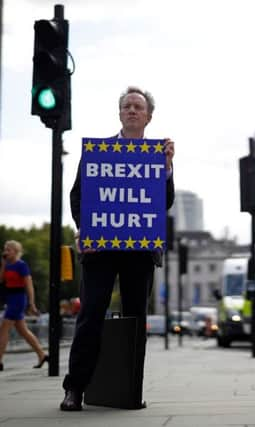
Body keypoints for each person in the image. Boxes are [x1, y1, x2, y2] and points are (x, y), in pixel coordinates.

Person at [60, 86, 175, 411]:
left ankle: (129, 390)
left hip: (139, 251)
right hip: (101, 250)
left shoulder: (158, 155)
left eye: (138, 106)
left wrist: (166, 168)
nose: (132, 110)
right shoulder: (100, 151)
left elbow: (163, 202)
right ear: (120, 113)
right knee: (91, 314)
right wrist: (86, 230)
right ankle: (74, 390)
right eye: (127, 106)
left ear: (148, 116)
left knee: (135, 318)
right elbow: (77, 195)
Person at [0, 240, 49, 372]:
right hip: (10, 298)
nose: (5, 252)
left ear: (16, 251)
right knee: (23, 331)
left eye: (8, 249)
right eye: (5, 249)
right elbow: (1, 280)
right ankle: (42, 355)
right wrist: (3, 265)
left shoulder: (22, 266)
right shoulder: (8, 265)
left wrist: (31, 303)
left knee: (3, 328)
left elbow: (29, 285)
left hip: (19, 298)